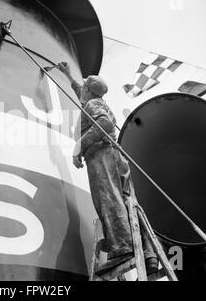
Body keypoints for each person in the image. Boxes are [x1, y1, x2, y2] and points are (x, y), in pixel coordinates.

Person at [57, 62, 158, 276]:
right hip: (116, 156)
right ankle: (149, 254)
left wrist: (79, 146)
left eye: (83, 86)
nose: (81, 88)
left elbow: (105, 125)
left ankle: (122, 249)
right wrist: (68, 75)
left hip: (101, 156)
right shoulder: (96, 100)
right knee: (128, 202)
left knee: (108, 199)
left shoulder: (92, 105)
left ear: (88, 89)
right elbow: (83, 94)